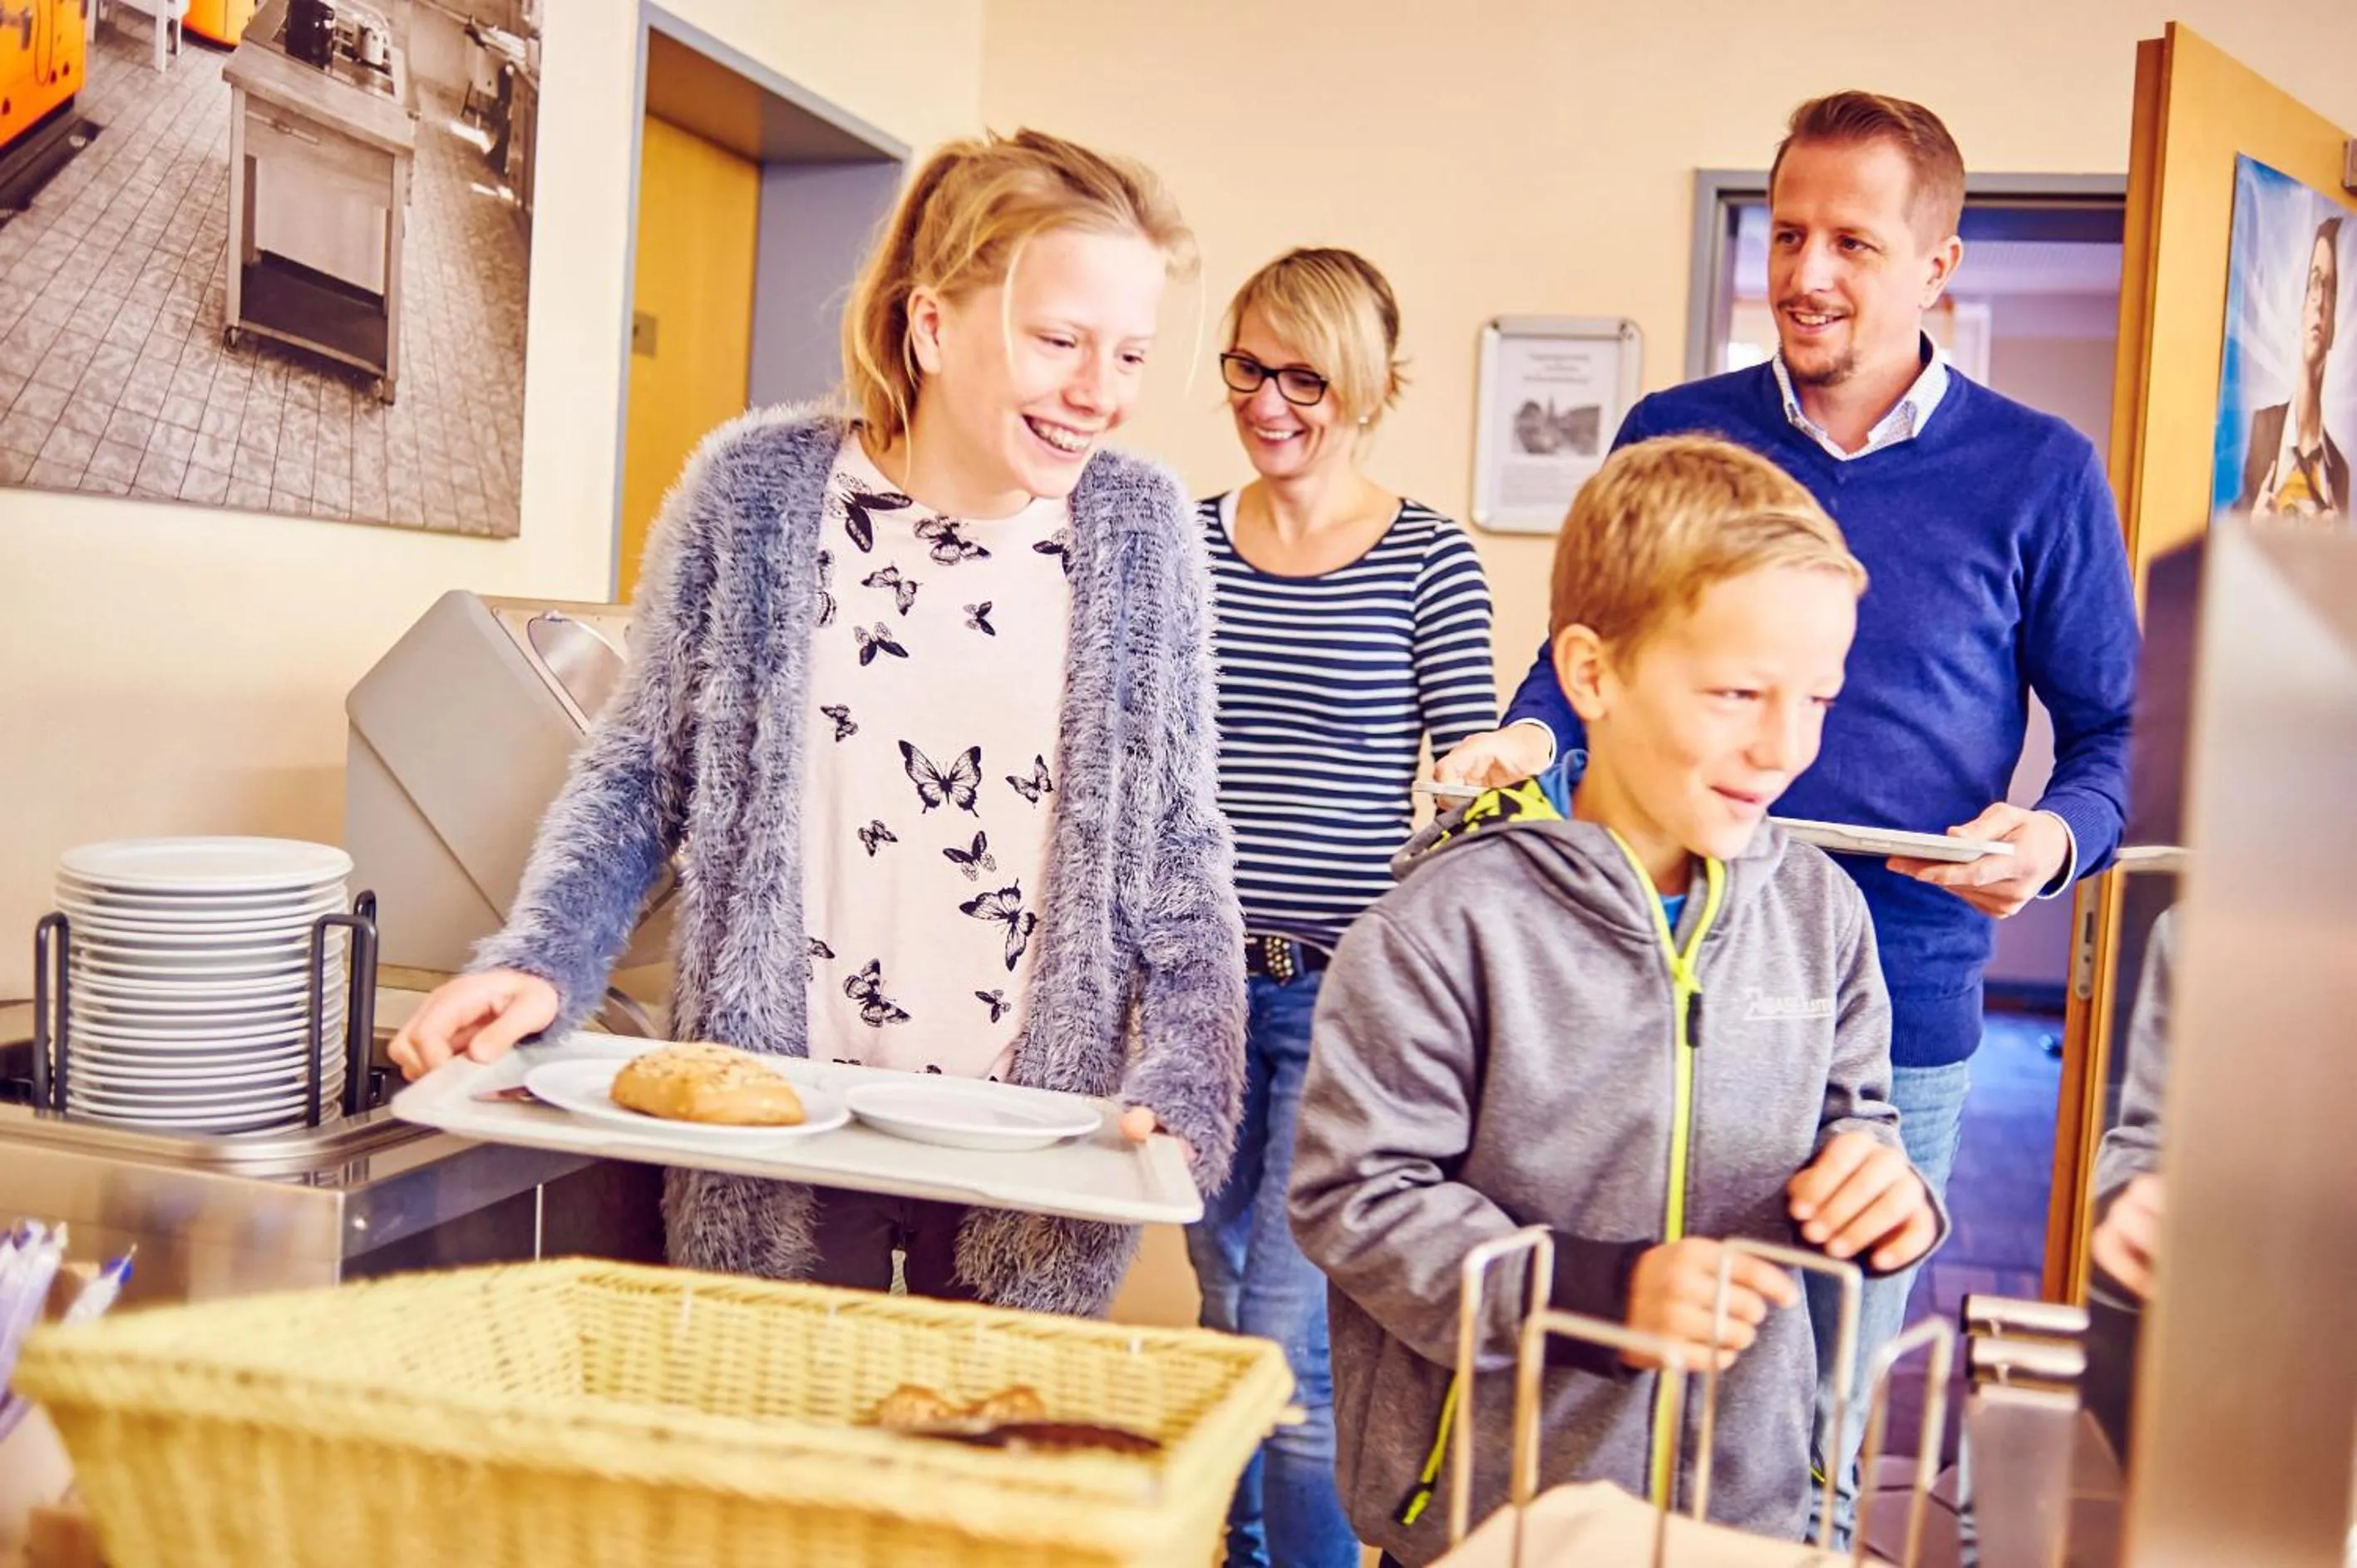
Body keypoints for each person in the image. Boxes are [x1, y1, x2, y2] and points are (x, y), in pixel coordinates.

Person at [1433, 91, 2139, 1536]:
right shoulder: (1674, 433)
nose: (1808, 273)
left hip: (1902, 1000)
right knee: (1617, 1353)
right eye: (1792, 233)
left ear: (1937, 267)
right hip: (1646, 981)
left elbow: (2115, 735)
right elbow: (1582, 664)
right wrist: (1523, 736)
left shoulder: (2040, 472)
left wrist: (2056, 837)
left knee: (1815, 1393)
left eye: (1856, 244)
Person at [388, 129, 1245, 1318]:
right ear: (934, 324)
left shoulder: (1142, 530)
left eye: (1130, 354)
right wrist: (541, 961)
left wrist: (1193, 1066)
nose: (1098, 392)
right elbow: (642, 772)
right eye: (1058, 341)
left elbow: (1177, 842)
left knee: (976, 1482)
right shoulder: (755, 492)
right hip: (782, 1118)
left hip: (1026, 1136)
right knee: (777, 1476)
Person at [1291, 436, 1943, 1566]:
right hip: (1483, 1520)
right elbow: (1356, 1199)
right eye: (1737, 693)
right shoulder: (1445, 927)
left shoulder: (1820, 915)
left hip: (1728, 1518)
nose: (1782, 746)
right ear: (1590, 672)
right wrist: (1595, 1291)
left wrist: (1884, 1193)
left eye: (1816, 700)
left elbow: (1858, 1124)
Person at [1193, 247, 1496, 1568]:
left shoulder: (1430, 559)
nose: (1267, 400)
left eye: (1301, 375)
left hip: (1340, 990)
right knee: (1221, 1322)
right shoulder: (1183, 540)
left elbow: (1470, 783)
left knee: (1285, 1336)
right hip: (1193, 983)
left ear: (1364, 385)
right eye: (1245, 366)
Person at [2239, 216, 2348, 518]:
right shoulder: (2260, 428)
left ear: (2336, 325)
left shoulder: (2340, 470)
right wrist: (2251, 530)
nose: (2321, 302)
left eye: (2331, 290)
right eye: (2314, 284)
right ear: (2300, 309)